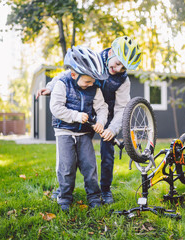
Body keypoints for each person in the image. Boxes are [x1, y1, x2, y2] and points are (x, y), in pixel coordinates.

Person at [37, 36, 142, 204]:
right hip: (84, 109)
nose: (118, 68)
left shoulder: (123, 80)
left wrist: (112, 129)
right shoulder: (95, 59)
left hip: (105, 113)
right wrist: (50, 87)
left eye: (124, 67)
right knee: (73, 154)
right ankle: (63, 188)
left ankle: (105, 190)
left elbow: (122, 108)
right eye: (118, 62)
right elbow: (69, 73)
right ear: (112, 51)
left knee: (107, 153)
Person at [49, 45, 109, 211]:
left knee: (89, 166)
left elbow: (102, 108)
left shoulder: (94, 88)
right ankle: (65, 198)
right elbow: (56, 108)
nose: (90, 84)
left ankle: (94, 197)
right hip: (65, 132)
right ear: (74, 74)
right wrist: (75, 115)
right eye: (87, 81)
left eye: (93, 81)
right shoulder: (62, 84)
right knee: (66, 167)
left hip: (84, 133)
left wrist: (101, 122)